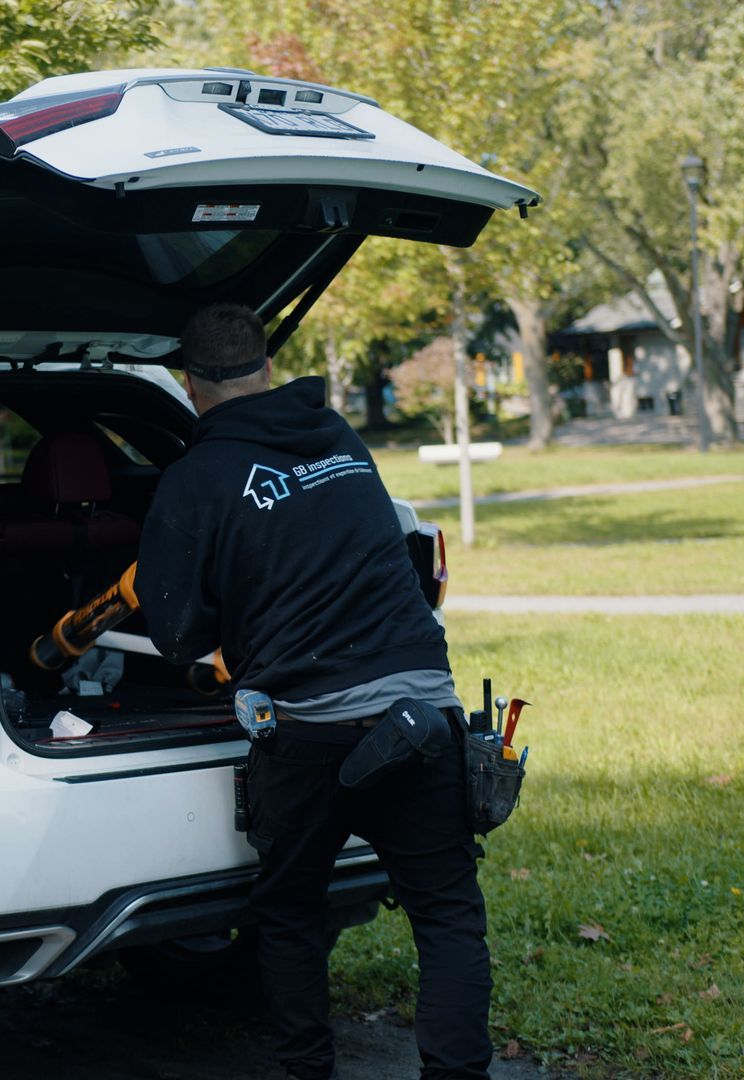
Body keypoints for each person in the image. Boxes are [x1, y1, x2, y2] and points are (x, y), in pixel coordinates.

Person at [136, 303, 492, 1080]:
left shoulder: (195, 480)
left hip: (307, 729)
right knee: (447, 914)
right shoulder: (339, 439)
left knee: (291, 914)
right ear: (268, 366)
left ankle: (307, 1071)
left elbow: (177, 637)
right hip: (423, 713)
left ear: (188, 383)